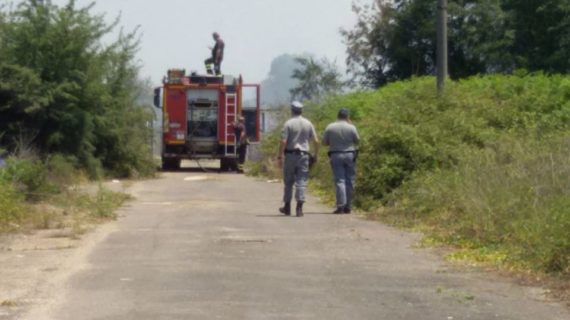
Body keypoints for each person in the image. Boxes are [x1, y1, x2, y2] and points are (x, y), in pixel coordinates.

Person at [277, 101, 319, 217]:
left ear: (292, 110)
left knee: (288, 182)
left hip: (290, 155)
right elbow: (316, 141)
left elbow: (283, 141)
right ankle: (299, 208)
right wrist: (315, 155)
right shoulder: (308, 123)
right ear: (301, 111)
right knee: (301, 182)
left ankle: (287, 207)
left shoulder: (288, 123)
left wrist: (280, 156)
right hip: (304, 155)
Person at [322, 108, 360, 214]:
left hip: (336, 154)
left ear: (337, 115)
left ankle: (340, 206)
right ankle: (348, 206)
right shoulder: (351, 127)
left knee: (340, 180)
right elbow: (357, 141)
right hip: (349, 155)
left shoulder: (330, 127)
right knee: (350, 180)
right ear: (347, 117)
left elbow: (324, 142)